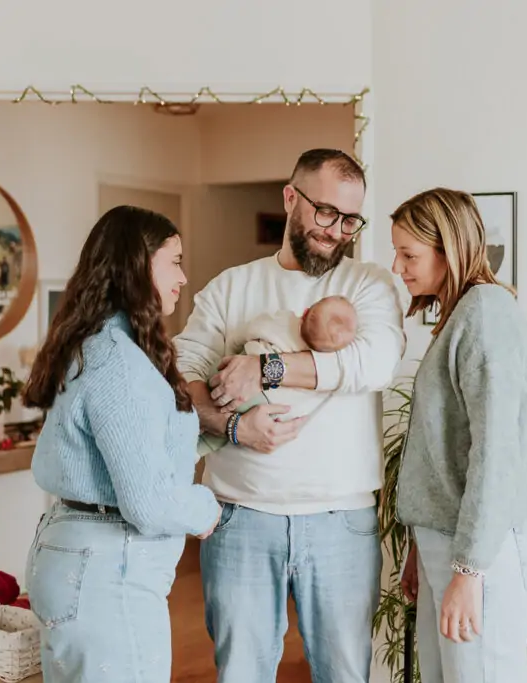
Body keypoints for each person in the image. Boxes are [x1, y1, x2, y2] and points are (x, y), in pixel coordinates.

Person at [174, 148, 406, 683]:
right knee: (241, 673)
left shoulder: (368, 285)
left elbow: (374, 363)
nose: (336, 231)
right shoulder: (231, 288)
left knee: (345, 673)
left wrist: (268, 369)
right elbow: (184, 377)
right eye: (325, 212)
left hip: (341, 520)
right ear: (290, 197)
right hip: (239, 518)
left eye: (350, 219)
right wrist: (233, 425)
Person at [22, 205, 222, 683]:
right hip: (106, 576)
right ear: (139, 264)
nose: (183, 275)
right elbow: (149, 503)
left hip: (82, 563)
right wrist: (204, 507)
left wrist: (224, 432)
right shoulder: (118, 362)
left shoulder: (102, 345)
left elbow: (140, 451)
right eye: (174, 260)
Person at [392, 188, 527, 682]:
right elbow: (443, 447)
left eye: (409, 254)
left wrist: (469, 569)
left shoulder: (485, 313)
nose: (398, 268)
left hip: (485, 549)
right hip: (453, 541)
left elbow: (494, 452)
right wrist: (422, 543)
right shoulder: (462, 313)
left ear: (449, 248)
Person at [195, 294, 358, 455]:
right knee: (214, 439)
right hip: (261, 402)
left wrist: (231, 350)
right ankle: (196, 451)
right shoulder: (319, 362)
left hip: (235, 369)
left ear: (306, 311)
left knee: (206, 396)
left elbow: (248, 331)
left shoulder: (283, 319)